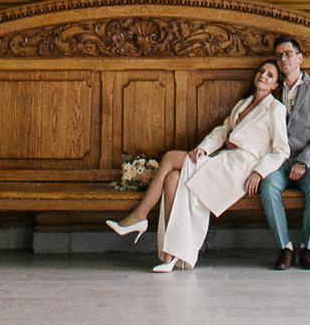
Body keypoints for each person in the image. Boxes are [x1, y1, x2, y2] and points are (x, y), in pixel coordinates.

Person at [106, 58, 289, 273]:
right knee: (172, 179)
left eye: (270, 75)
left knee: (171, 157)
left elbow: (282, 150)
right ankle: (170, 256)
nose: (263, 76)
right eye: (261, 71)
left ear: (275, 85)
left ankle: (140, 216)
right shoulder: (244, 102)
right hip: (224, 160)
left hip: (239, 168)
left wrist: (259, 172)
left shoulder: (275, 108)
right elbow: (223, 130)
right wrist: (203, 149)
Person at [259, 35, 310, 270]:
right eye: (279, 56)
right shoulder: (272, 90)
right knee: (268, 185)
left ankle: (307, 248)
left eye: (288, 54)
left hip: (309, 162)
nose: (283, 59)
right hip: (279, 161)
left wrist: (303, 162)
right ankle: (286, 248)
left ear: (300, 57)